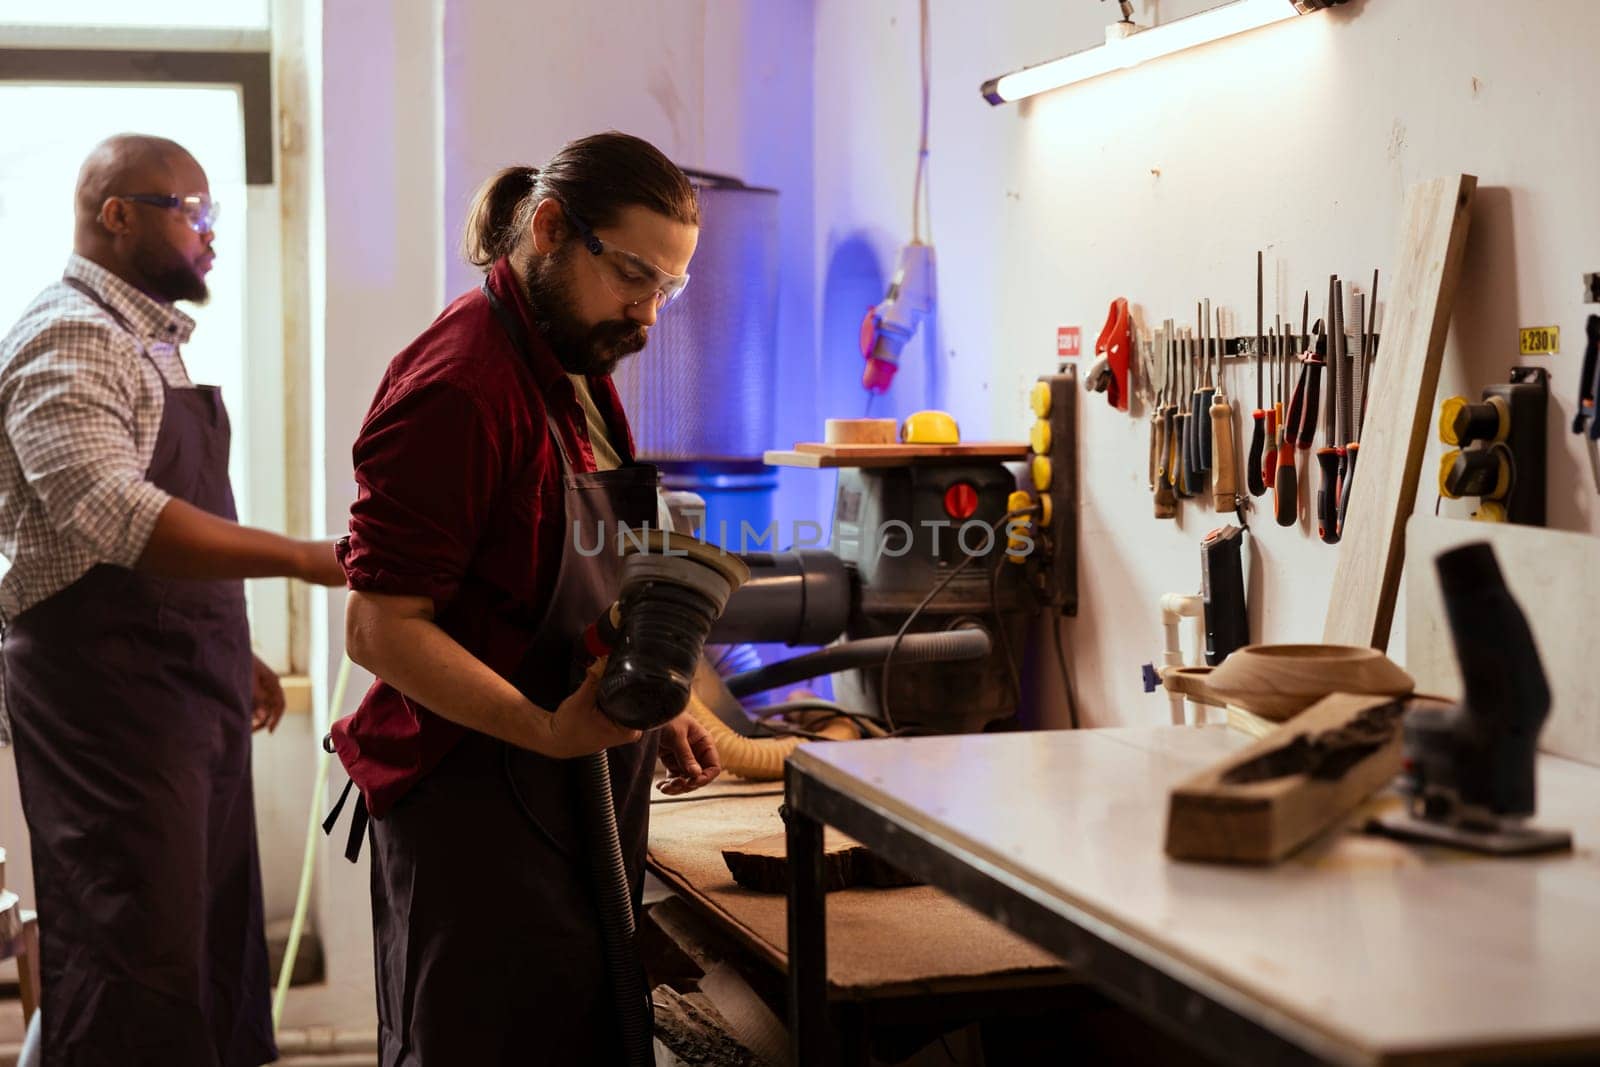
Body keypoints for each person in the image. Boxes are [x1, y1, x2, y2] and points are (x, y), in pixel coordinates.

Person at [327, 131, 724, 1064]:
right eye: (634, 275)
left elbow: (567, 565)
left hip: (564, 791)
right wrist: (549, 730)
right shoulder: (462, 388)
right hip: (475, 811)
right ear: (550, 230)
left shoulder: (574, 368)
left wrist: (641, 691)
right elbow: (379, 627)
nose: (650, 312)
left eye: (668, 287)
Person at [0, 133, 347, 1067]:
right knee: (131, 956)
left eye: (213, 213)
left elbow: (171, 527)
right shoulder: (69, 333)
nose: (210, 235)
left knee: (205, 941)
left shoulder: (146, 341)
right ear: (117, 215)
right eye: (192, 212)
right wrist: (308, 558)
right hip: (104, 697)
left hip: (178, 682)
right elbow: (119, 515)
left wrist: (231, 648)